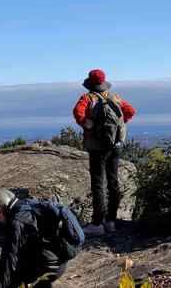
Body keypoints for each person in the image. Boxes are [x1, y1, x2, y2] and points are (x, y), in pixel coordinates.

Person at [72, 69, 136, 236]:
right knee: (113, 182)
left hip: (97, 147)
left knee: (98, 183)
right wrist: (118, 126)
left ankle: (98, 223)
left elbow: (78, 113)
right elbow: (130, 111)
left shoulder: (87, 98)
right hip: (116, 145)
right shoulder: (115, 97)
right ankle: (111, 221)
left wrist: (89, 125)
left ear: (90, 84)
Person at [0, 188, 79, 288]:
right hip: (59, 263)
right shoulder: (27, 203)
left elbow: (10, 259)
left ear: (2, 208)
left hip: (47, 268)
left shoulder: (17, 222)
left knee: (9, 272)